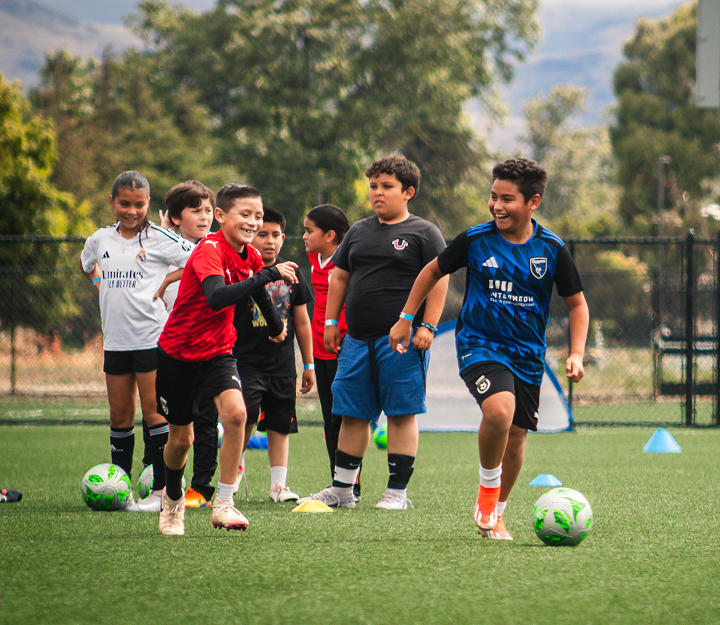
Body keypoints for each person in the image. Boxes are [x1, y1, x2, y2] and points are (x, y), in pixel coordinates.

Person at [389, 157, 589, 540]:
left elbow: (577, 304)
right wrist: (405, 317)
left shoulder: (551, 248)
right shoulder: (477, 239)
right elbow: (432, 271)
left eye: (507, 199)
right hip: (480, 345)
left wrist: (576, 353)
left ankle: (496, 512)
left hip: (528, 355)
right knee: (499, 411)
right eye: (493, 196)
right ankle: (486, 493)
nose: (497, 206)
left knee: (515, 439)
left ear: (533, 202)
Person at [298, 153, 449, 511]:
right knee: (352, 413)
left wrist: (427, 325)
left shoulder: (424, 232)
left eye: (387, 187)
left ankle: (396, 492)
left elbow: (439, 280)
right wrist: (332, 322)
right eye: (373, 186)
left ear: (408, 191)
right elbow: (340, 277)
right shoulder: (359, 232)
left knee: (400, 413)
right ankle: (342, 490)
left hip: (401, 343)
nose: (377, 193)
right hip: (356, 341)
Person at [155, 183, 298, 535]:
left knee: (236, 414)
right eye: (245, 215)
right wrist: (268, 274)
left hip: (219, 351)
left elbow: (257, 289)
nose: (253, 222)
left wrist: (275, 326)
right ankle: (172, 500)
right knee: (181, 440)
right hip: (179, 353)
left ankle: (224, 503)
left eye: (259, 216)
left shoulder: (249, 256)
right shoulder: (210, 250)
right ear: (221, 216)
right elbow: (218, 297)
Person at [80, 171, 194, 512]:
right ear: (112, 202)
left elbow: (196, 262)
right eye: (125, 204)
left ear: (148, 203)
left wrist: (164, 283)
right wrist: (101, 283)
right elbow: (87, 265)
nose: (132, 211)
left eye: (139, 204)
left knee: (154, 413)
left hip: (151, 340)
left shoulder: (160, 238)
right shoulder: (100, 239)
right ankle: (122, 488)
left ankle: (161, 491)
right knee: (119, 416)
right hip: (115, 341)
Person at [232, 207, 314, 503]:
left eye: (275, 235)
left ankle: (279, 486)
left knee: (281, 420)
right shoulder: (241, 273)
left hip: (281, 363)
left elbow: (302, 321)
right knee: (245, 414)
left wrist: (309, 363)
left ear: (283, 237)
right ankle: (234, 467)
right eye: (261, 234)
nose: (269, 241)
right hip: (245, 361)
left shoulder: (292, 274)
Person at [160, 181, 220, 509]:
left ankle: (201, 488)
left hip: (209, 351)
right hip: (169, 352)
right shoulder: (161, 252)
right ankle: (160, 483)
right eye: (195, 210)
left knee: (208, 419)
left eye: (208, 210)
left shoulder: (218, 250)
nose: (204, 217)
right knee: (166, 422)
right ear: (174, 218)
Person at [302, 204, 359, 499]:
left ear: (331, 235)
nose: (304, 236)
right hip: (320, 351)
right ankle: (337, 485)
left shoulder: (348, 260)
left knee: (345, 417)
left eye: (309, 231)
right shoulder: (314, 258)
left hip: (345, 348)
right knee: (329, 420)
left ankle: (351, 487)